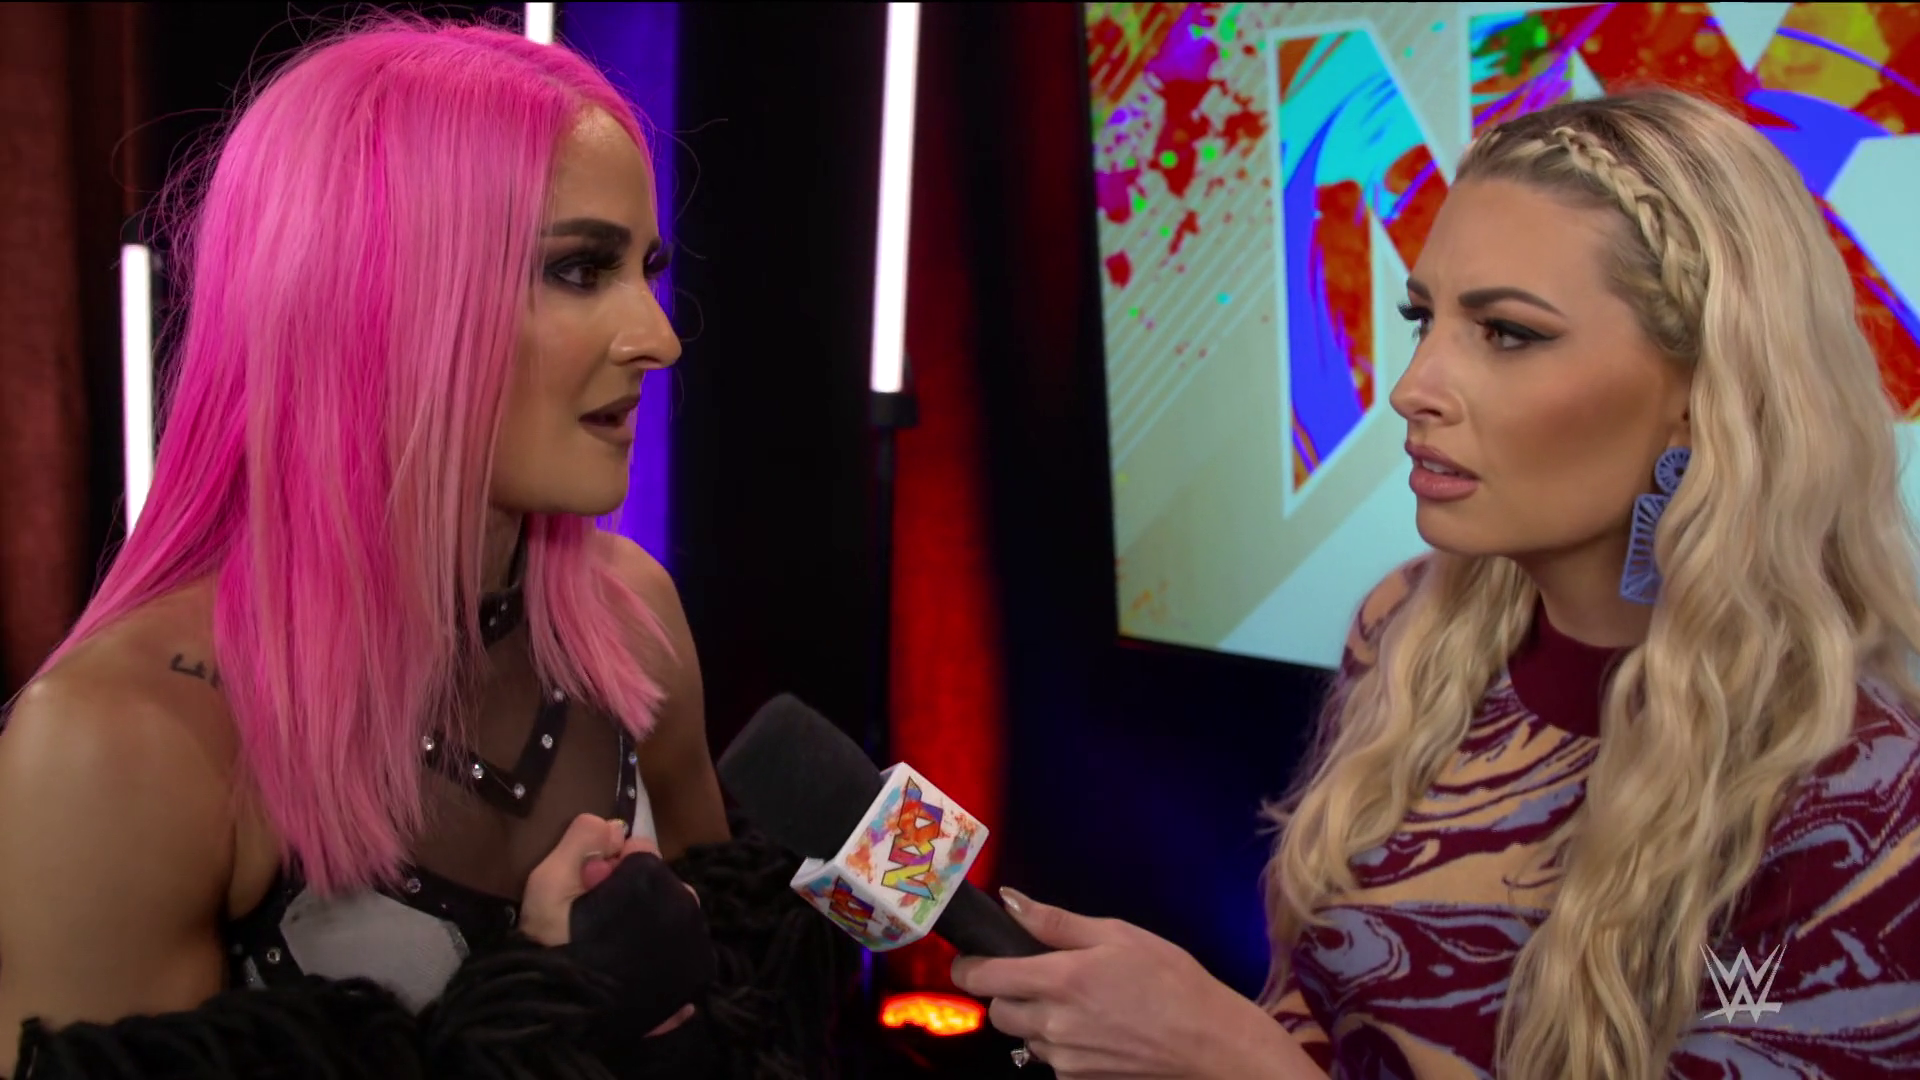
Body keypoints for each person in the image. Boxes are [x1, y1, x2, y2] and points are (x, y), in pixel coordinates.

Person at [953, 87, 1920, 1078]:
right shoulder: (1409, 629)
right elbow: (1318, 1009)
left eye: (1507, 333)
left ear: (1702, 387)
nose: (1413, 389)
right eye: (1424, 318)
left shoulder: (1861, 797)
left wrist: (1226, 1059)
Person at [0, 17, 849, 1080]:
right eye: (579, 269)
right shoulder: (120, 740)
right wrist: (543, 1017)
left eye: (645, 269)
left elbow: (745, 1022)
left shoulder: (634, 621)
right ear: (376, 296)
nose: (659, 338)